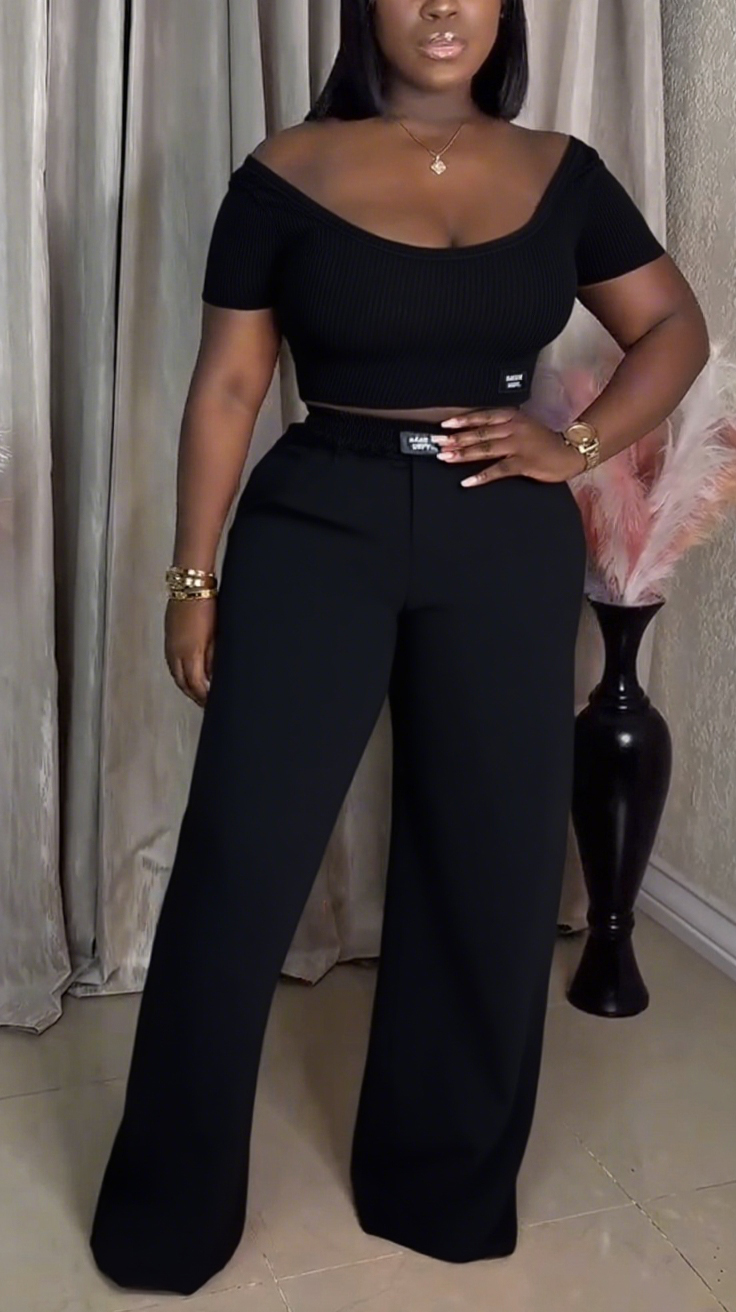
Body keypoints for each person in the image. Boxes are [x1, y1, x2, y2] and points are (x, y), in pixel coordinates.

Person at [89, 0, 709, 1297]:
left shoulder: (564, 174)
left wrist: (574, 447)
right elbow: (228, 385)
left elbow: (674, 328)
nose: (441, 9)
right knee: (240, 864)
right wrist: (193, 580)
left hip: (504, 534)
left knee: (490, 860)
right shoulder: (284, 174)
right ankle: (167, 1216)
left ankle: (443, 1186)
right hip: (319, 523)